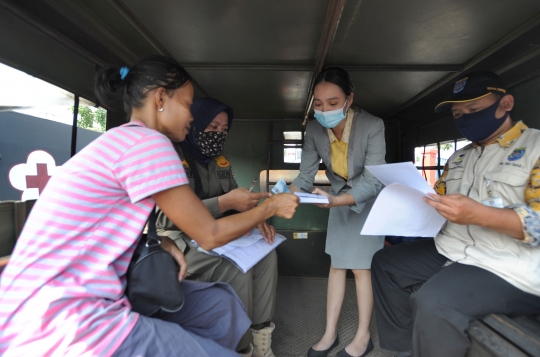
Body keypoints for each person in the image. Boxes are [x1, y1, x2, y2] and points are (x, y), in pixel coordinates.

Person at [0, 55, 299, 357]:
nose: (192, 117)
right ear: (160, 98)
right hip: (62, 314)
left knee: (221, 306)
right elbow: (209, 234)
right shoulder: (149, 144)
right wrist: (269, 207)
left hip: (76, 292)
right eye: (186, 104)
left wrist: (152, 240)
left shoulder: (125, 141)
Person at [371, 71, 540, 357]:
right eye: (458, 113)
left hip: (509, 263)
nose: (465, 118)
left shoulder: (534, 148)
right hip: (454, 248)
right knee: (386, 263)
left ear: (506, 103)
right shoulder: (459, 156)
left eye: (474, 110)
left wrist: (478, 214)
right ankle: (404, 349)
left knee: (434, 302)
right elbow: (437, 195)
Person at [156, 97, 279, 357]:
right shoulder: (171, 158)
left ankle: (261, 336)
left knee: (267, 253)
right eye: (212, 128)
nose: (218, 136)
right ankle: (241, 347)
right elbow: (165, 219)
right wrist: (222, 204)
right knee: (237, 269)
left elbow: (237, 200)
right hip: (178, 242)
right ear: (195, 123)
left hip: (217, 234)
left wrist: (256, 216)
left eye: (223, 131)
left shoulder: (220, 161)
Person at [289, 67, 386, 357]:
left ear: (349, 99)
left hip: (366, 202)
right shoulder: (314, 128)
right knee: (336, 265)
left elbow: (373, 179)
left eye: (332, 103)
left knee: (361, 269)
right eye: (318, 104)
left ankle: (363, 337)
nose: (324, 110)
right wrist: (287, 195)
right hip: (337, 201)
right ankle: (330, 333)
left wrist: (335, 201)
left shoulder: (373, 125)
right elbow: (305, 176)